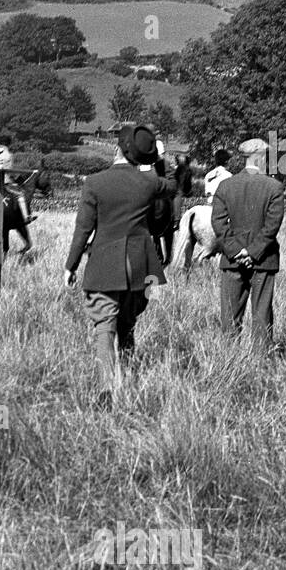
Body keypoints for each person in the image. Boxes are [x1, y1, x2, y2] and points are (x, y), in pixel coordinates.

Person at [64, 123, 166, 404]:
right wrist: (153, 163)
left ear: (117, 148)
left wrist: (70, 265)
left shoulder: (94, 183)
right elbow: (170, 189)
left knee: (104, 327)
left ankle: (109, 390)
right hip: (143, 270)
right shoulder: (151, 183)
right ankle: (130, 379)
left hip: (105, 266)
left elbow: (83, 230)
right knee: (128, 325)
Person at [211, 138, 285, 349]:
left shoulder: (226, 186)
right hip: (263, 260)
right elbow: (272, 227)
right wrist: (252, 252)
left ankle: (229, 360)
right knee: (262, 315)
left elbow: (217, 223)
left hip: (231, 261)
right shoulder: (274, 187)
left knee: (230, 317)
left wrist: (236, 250)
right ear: (260, 157)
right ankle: (261, 361)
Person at [0, 134, 35, 225]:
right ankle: (26, 217)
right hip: (3, 182)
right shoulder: (8, 155)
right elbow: (9, 171)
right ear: (9, 144)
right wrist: (17, 178)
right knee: (20, 194)